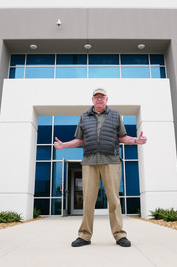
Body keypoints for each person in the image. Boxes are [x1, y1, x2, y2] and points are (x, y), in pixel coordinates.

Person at [54, 88, 147, 247]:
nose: (99, 100)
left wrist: (136, 141)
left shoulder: (115, 115)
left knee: (114, 200)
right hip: (90, 161)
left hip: (111, 160)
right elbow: (79, 140)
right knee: (88, 201)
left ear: (106, 99)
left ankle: (119, 235)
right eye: (96, 97)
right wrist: (64, 146)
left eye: (102, 97)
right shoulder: (84, 116)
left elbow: (122, 137)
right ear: (92, 100)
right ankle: (84, 235)